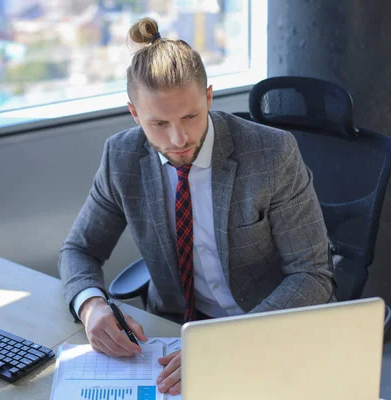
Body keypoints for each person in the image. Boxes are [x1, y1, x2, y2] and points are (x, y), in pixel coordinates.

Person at [58, 17, 335, 396]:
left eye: (190, 116)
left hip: (265, 328)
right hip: (174, 334)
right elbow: (79, 249)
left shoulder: (271, 154)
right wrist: (91, 305)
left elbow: (313, 274)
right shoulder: (121, 157)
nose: (178, 138)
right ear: (135, 114)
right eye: (158, 123)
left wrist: (224, 344)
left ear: (208, 97)